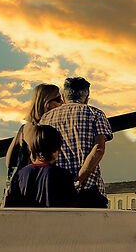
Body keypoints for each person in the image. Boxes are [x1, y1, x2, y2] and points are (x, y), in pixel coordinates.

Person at [38, 78, 112, 208]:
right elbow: (99, 149)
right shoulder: (96, 114)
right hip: (89, 191)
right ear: (87, 97)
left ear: (63, 96)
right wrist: (79, 178)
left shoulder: (46, 118)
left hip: (56, 190)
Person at [4, 125, 79, 208]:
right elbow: (72, 207)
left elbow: (10, 205)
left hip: (26, 220)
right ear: (55, 150)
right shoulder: (63, 175)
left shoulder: (20, 174)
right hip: (54, 220)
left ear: (31, 148)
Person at [5, 84, 64, 178]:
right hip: (47, 181)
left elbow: (10, 161)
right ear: (47, 104)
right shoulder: (51, 130)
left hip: (26, 181)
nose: (62, 102)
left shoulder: (24, 129)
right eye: (58, 99)